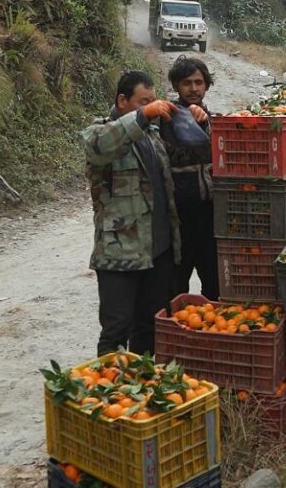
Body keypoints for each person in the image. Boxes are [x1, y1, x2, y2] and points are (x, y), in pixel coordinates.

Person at [80, 70, 181, 356]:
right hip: (119, 254)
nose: (149, 108)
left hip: (156, 250)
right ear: (122, 100)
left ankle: (142, 386)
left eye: (152, 101)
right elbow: (99, 147)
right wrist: (144, 115)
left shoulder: (152, 135)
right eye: (142, 102)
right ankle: (112, 393)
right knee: (116, 330)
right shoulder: (100, 133)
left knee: (150, 326)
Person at [160, 56, 220, 300]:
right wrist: (189, 123)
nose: (194, 89)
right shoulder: (164, 120)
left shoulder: (216, 121)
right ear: (175, 86)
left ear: (206, 85)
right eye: (187, 83)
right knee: (175, 287)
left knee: (215, 286)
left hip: (211, 216)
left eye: (199, 82)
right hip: (177, 219)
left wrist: (206, 125)